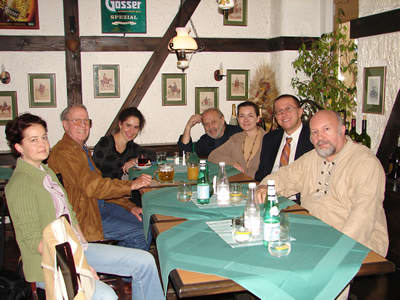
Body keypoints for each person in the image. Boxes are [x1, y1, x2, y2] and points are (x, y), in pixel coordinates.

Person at [5, 113, 164, 300]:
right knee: (107, 296)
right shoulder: (20, 184)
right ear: (18, 147)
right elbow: (35, 241)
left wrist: (83, 246)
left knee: (145, 261)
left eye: (44, 137)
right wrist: (80, 265)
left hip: (74, 248)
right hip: (49, 264)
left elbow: (69, 213)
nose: (42, 144)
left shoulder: (46, 172)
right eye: (34, 140)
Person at [256, 110, 388, 257]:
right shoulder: (312, 157)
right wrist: (265, 186)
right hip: (314, 234)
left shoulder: (365, 163)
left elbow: (363, 217)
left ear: (342, 130)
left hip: (355, 245)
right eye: (315, 132)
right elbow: (286, 176)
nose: (320, 137)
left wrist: (336, 250)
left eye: (326, 129)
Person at [48, 104, 152, 250]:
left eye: (86, 121)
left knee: (145, 224)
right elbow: (94, 187)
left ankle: (117, 263)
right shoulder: (65, 152)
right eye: (77, 121)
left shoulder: (79, 149)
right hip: (84, 216)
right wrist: (131, 185)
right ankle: (115, 265)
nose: (83, 126)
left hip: (99, 204)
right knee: (142, 232)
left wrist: (130, 207)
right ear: (65, 125)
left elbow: (101, 186)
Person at [93, 107, 154, 206]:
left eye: (136, 127)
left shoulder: (131, 147)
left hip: (121, 195)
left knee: (148, 203)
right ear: (120, 124)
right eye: (128, 125)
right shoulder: (105, 144)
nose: (131, 131)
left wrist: (135, 161)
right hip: (103, 196)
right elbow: (94, 174)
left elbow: (152, 157)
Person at [254, 94, 314, 181]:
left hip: (297, 192)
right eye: (279, 111)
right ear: (275, 117)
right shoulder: (270, 138)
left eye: (288, 109)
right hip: (269, 189)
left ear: (300, 112)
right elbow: (261, 173)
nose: (284, 114)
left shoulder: (313, 138)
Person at [208, 101, 266, 178]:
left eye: (250, 116)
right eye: (242, 116)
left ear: (258, 118)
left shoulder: (268, 139)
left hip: (261, 185)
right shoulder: (236, 138)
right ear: (238, 119)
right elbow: (213, 156)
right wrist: (233, 163)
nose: (246, 120)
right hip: (239, 183)